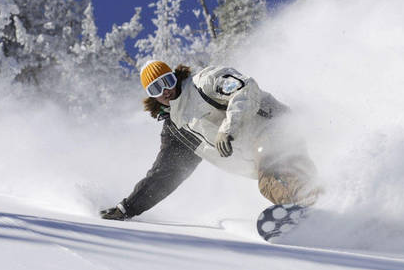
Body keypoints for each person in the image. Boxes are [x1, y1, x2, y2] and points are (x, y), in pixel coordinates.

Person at [100, 60, 320, 220]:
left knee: (272, 176)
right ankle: (326, 206)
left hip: (273, 125)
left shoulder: (204, 83)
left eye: (167, 81)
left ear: (175, 76)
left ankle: (310, 206)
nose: (165, 90)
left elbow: (246, 89)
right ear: (151, 96)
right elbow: (165, 174)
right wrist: (127, 208)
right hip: (258, 158)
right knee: (282, 178)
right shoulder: (178, 131)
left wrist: (228, 128)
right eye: (156, 88)